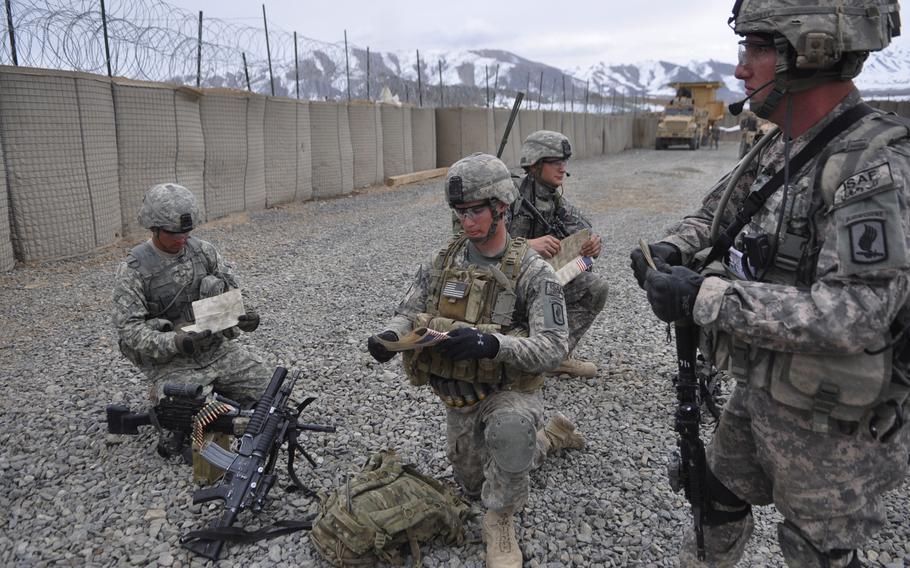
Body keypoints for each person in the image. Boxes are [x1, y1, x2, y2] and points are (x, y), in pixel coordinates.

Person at [630, 1, 908, 566]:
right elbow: (718, 215)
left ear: (810, 53)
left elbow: (857, 312)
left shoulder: (870, 164)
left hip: (835, 422)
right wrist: (672, 249)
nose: (740, 69)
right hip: (763, 387)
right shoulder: (783, 142)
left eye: (756, 49)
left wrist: (702, 297)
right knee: (714, 498)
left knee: (816, 552)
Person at [367, 153, 584, 568]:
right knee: (471, 483)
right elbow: (410, 310)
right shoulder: (443, 260)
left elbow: (554, 345)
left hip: (510, 390)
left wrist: (491, 344)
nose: (467, 222)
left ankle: (501, 521)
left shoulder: (532, 271)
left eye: (476, 211)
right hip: (462, 396)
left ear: (501, 207)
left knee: (511, 434)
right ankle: (550, 438)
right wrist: (390, 338)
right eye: (460, 212)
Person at [112, 183, 272, 437]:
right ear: (154, 228)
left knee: (271, 391)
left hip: (218, 350)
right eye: (174, 233)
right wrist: (176, 342)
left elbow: (234, 292)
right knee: (189, 411)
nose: (182, 239)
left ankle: (226, 400)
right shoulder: (133, 270)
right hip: (172, 363)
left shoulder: (204, 252)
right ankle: (169, 395)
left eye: (186, 232)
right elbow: (129, 330)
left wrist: (245, 315)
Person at [509, 130, 609, 378]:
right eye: (555, 162)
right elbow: (478, 246)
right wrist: (528, 245)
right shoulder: (509, 197)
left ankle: (555, 356)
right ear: (535, 164)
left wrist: (592, 246)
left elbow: (584, 232)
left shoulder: (554, 200)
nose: (563, 169)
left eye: (564, 163)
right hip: (504, 287)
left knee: (594, 287)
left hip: (536, 284)